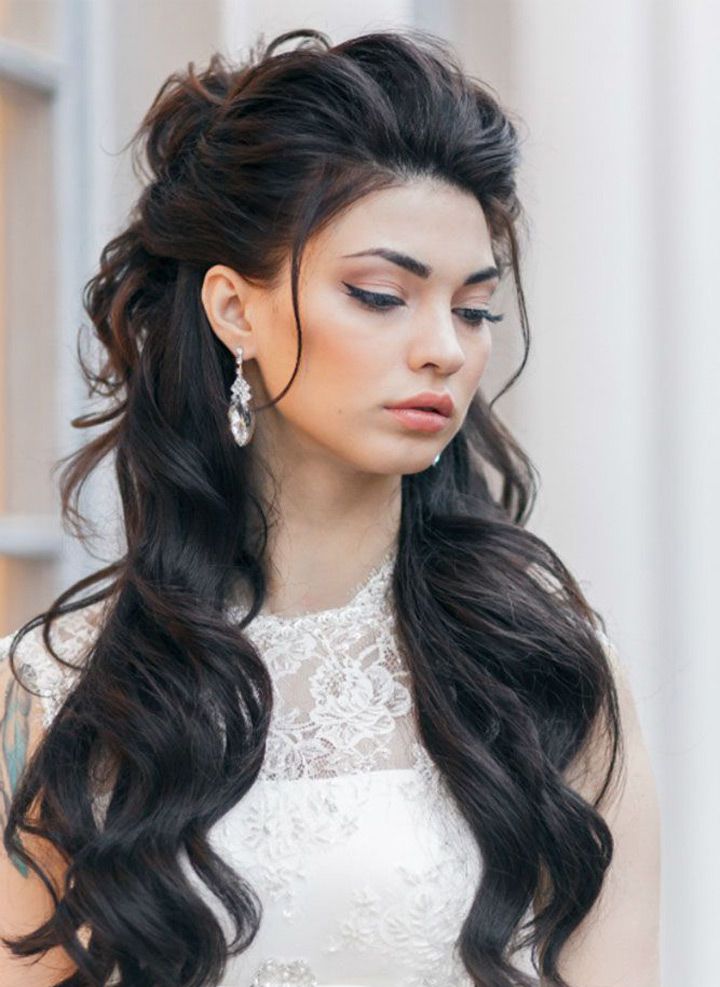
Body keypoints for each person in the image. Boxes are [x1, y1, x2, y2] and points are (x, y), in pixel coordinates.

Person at [0, 26, 661, 987]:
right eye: (381, 293)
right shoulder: (60, 685)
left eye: (474, 309)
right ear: (236, 310)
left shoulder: (549, 673)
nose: (444, 348)